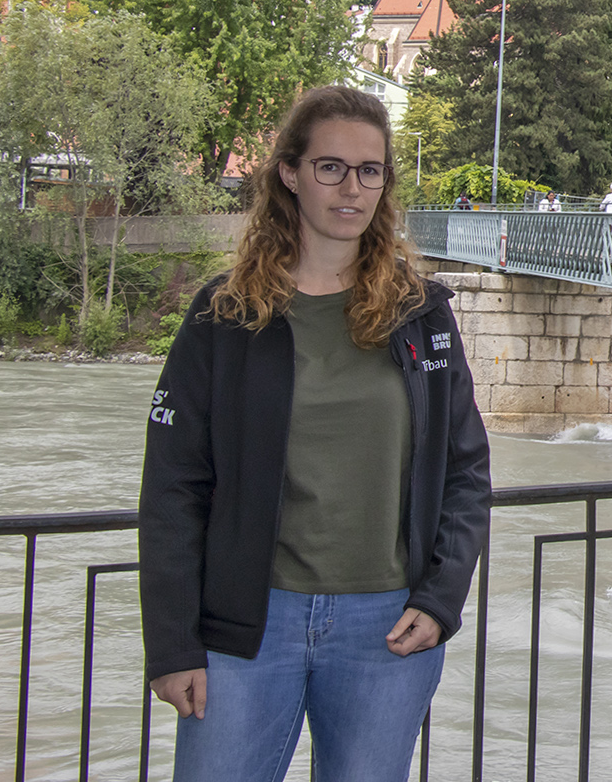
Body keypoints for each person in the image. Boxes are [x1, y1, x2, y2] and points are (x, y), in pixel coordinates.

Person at [139, 86, 493, 782]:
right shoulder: (225, 314)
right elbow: (173, 489)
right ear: (290, 174)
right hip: (246, 625)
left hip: (387, 629)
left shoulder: (421, 314)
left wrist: (440, 598)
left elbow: (465, 471)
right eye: (330, 167)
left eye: (371, 170)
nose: (351, 188)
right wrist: (173, 643)